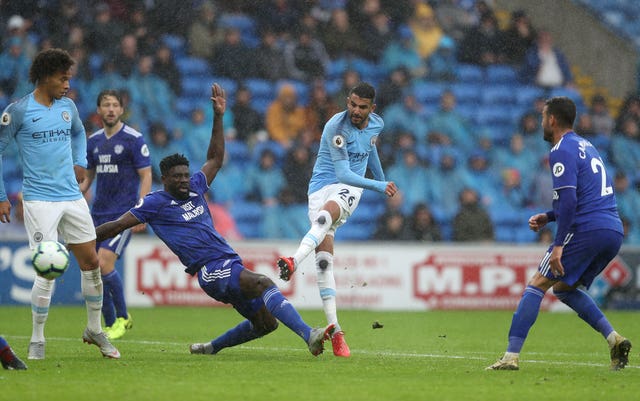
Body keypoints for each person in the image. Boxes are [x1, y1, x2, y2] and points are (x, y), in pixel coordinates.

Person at [94, 83, 334, 357]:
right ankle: (309, 335)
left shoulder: (196, 186)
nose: (184, 180)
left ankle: (210, 348)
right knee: (264, 283)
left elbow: (215, 159)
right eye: (178, 177)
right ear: (166, 178)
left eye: (186, 175)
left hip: (229, 262)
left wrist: (219, 116)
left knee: (266, 324)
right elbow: (117, 225)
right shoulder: (154, 203)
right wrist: (83, 240)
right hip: (211, 270)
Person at [487, 97, 631, 371]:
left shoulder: (561, 149)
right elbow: (585, 196)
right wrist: (549, 216)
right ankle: (614, 339)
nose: (542, 123)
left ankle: (510, 356)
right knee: (564, 289)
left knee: (537, 283)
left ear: (552, 120)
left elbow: (569, 202)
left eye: (543, 117)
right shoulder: (587, 146)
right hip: (611, 230)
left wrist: (557, 245)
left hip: (588, 228)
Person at [0, 48, 119, 360]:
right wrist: (1, 196)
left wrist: (80, 160)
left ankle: (94, 329)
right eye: (62, 78)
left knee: (91, 263)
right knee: (47, 269)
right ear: (44, 77)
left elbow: (79, 133)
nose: (67, 84)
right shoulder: (18, 111)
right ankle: (37, 338)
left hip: (72, 197)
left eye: (69, 78)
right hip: (39, 201)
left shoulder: (67, 107)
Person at [276, 83, 399, 357]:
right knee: (323, 262)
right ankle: (337, 332)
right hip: (320, 187)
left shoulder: (376, 125)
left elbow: (370, 149)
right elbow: (342, 172)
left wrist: (380, 179)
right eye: (352, 104)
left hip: (350, 189)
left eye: (362, 107)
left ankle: (293, 260)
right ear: (347, 101)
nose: (355, 111)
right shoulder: (336, 127)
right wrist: (380, 186)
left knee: (324, 216)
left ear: (372, 109)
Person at [80, 89, 152, 340]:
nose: (110, 109)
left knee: (103, 263)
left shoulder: (133, 139)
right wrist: (75, 193)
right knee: (93, 268)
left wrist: (141, 210)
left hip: (122, 216)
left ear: (122, 110)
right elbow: (88, 178)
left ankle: (123, 317)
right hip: (97, 214)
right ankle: (110, 324)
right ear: (98, 110)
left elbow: (146, 175)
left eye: (114, 105)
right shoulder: (94, 141)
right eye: (105, 105)